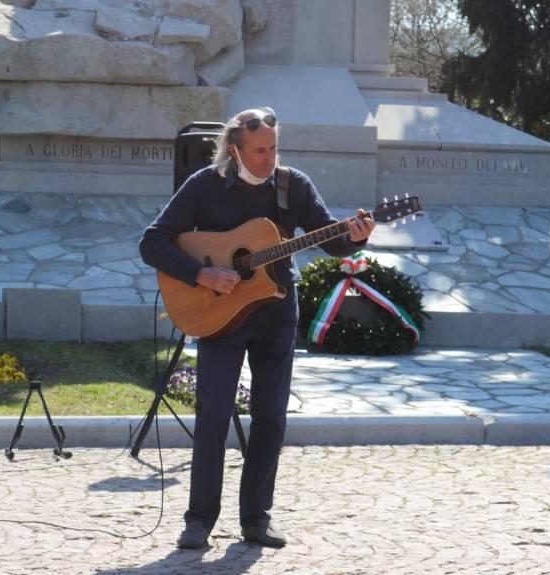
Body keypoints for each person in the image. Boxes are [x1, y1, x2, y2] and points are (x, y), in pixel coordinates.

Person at [139, 107, 375, 549]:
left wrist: (357, 235)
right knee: (212, 416)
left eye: (273, 148)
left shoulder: (292, 185)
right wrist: (200, 275)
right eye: (259, 150)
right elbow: (152, 241)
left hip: (275, 315)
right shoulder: (204, 185)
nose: (269, 158)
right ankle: (199, 521)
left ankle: (256, 519)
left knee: (271, 418)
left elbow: (329, 239)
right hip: (219, 317)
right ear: (235, 149)